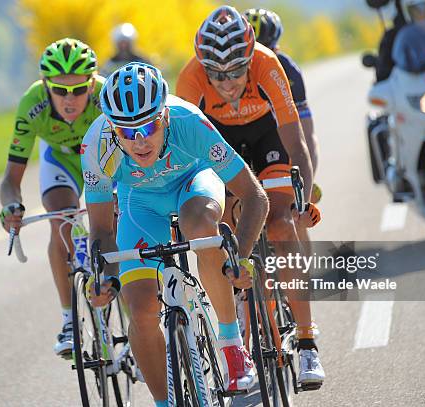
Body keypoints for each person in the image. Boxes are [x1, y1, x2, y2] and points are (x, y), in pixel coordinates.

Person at [82, 62, 269, 406]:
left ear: (165, 116)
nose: (139, 141)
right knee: (140, 311)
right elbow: (102, 232)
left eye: (149, 126)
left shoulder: (188, 122)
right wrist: (104, 279)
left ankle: (231, 345)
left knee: (198, 227)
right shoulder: (96, 146)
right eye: (126, 132)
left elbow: (255, 196)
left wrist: (240, 257)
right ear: (111, 127)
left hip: (192, 183)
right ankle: (164, 403)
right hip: (140, 203)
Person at [177, 5, 325, 389]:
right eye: (217, 74)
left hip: (266, 139)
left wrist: (301, 201)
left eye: (236, 71)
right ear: (202, 65)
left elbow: (297, 144)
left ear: (250, 59)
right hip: (219, 144)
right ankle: (239, 314)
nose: (227, 84)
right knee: (223, 235)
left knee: (279, 224)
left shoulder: (267, 64)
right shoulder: (189, 78)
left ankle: (307, 340)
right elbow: (186, 158)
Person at [0, 38, 105, 357]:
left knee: (116, 225)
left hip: (103, 155)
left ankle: (136, 320)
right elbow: (10, 179)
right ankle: (69, 320)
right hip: (60, 159)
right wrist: (10, 206)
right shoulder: (31, 104)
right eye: (59, 90)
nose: (69, 99)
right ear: (46, 85)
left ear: (92, 83)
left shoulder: (106, 95)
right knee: (62, 222)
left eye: (78, 89)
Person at [244, 7, 322, 245]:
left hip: (277, 137)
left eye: (267, 49)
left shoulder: (288, 70)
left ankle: (302, 277)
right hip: (244, 137)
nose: (261, 57)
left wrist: (305, 186)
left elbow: (305, 134)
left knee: (292, 218)